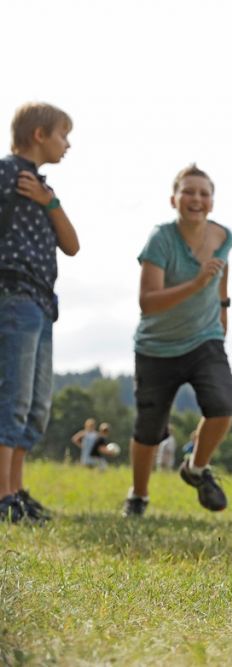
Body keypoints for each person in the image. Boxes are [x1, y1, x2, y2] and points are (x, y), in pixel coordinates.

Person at [122, 164, 232, 517]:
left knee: (222, 406)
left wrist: (222, 311)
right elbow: (148, 302)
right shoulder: (160, 240)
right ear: (174, 199)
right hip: (157, 346)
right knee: (149, 430)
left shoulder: (223, 237)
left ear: (212, 202)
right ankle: (138, 496)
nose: (196, 199)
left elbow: (222, 272)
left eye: (204, 193)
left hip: (205, 339)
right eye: (188, 192)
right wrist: (197, 284)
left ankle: (196, 468)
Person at [0, 102, 79, 524]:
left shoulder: (44, 190)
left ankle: (15, 489)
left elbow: (72, 244)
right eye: (63, 135)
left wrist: (50, 204)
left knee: (34, 405)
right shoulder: (6, 175)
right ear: (39, 135)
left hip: (41, 302)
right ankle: (2, 494)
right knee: (12, 398)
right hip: (12, 294)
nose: (67, 145)